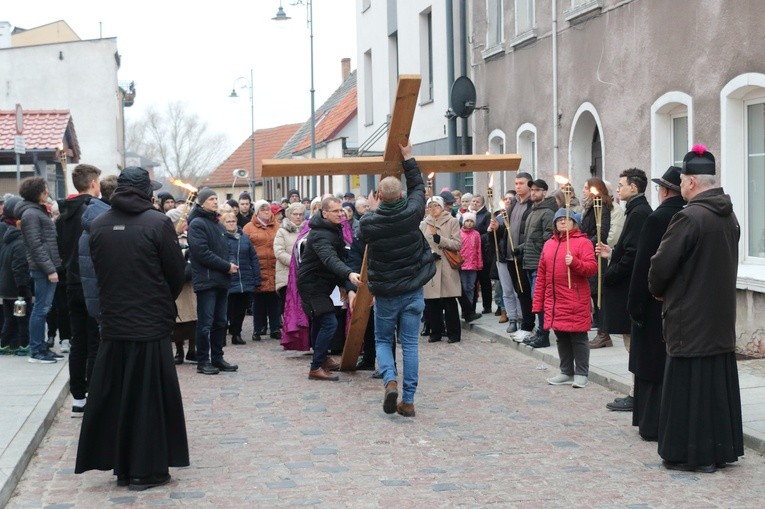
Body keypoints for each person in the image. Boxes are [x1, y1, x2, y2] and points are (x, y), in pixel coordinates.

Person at [75, 166, 188, 491]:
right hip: (149, 325)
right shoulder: (157, 223)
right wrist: (161, 301)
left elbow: (99, 272)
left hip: (114, 324)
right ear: (145, 192)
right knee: (148, 398)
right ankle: (147, 470)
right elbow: (175, 273)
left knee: (121, 397)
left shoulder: (98, 224)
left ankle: (124, 467)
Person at [648, 145, 743, 473]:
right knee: (715, 386)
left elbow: (661, 266)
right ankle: (718, 451)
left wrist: (658, 291)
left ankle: (692, 454)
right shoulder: (729, 216)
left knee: (690, 389)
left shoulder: (688, 217)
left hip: (689, 319)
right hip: (718, 319)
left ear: (689, 182)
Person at [359, 142, 436, 417]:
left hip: (387, 293)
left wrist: (371, 210)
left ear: (378, 195)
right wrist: (409, 158)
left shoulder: (369, 222)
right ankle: (409, 400)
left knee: (382, 340)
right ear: (400, 194)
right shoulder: (412, 212)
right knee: (411, 345)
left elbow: (362, 234)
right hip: (413, 289)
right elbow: (419, 190)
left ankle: (390, 380)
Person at [625, 166, 685, 441]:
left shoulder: (658, 217)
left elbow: (644, 265)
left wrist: (635, 305)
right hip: (678, 303)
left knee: (650, 367)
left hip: (652, 303)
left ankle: (650, 423)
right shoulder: (687, 215)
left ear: (663, 191)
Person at [597, 168, 652, 413]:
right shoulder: (635, 210)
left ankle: (636, 394)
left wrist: (611, 272)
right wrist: (612, 253)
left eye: (621, 185)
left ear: (634, 187)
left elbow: (634, 254)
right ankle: (635, 392)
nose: (618, 189)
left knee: (634, 345)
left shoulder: (639, 213)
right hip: (628, 286)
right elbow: (627, 248)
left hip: (631, 288)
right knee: (631, 344)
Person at [297, 196, 361, 381]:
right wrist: (348, 274)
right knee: (329, 322)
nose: (341, 213)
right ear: (324, 213)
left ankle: (321, 359)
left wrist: (342, 284)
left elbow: (339, 257)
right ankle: (316, 367)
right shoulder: (319, 234)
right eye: (336, 211)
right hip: (311, 285)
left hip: (323, 283)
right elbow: (330, 259)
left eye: (342, 210)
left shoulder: (333, 229)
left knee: (319, 321)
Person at [57, 163, 103, 416]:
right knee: (94, 338)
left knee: (78, 341)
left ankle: (78, 397)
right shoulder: (95, 211)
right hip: (90, 281)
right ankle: (93, 392)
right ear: (94, 183)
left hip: (70, 281)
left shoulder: (63, 214)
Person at [534, 209, 597, 387]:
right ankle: (566, 371)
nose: (562, 222)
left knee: (578, 337)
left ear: (574, 223)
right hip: (555, 299)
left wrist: (575, 263)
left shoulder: (583, 243)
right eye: (559, 219)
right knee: (561, 335)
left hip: (575, 298)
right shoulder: (549, 245)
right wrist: (538, 302)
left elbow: (592, 268)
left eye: (566, 219)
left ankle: (581, 373)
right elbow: (542, 275)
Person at [188, 188, 239, 375]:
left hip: (221, 280)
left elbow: (226, 247)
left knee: (220, 322)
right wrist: (226, 266)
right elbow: (201, 253)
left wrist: (230, 262)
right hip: (207, 280)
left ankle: (218, 358)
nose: (215, 202)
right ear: (201, 202)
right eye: (211, 199)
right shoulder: (197, 224)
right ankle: (203, 360)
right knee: (206, 323)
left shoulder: (217, 224)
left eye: (216, 198)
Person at [15, 177, 62, 364]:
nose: (48, 192)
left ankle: (41, 347)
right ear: (37, 192)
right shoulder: (31, 214)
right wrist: (50, 269)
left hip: (45, 266)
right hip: (42, 268)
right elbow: (36, 245)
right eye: (45, 189)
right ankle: (36, 350)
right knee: (41, 309)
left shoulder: (35, 211)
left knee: (43, 308)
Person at [490, 173, 534, 337]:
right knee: (513, 289)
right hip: (508, 254)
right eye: (516, 183)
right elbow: (505, 228)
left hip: (523, 255)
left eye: (521, 183)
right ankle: (515, 320)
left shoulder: (532, 205)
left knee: (524, 290)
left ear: (529, 185)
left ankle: (527, 322)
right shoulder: (513, 203)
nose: (517, 186)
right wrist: (497, 228)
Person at [514, 178, 556, 348]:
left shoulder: (547, 212)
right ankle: (540, 331)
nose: (533, 193)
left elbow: (549, 235)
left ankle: (543, 333)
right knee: (535, 299)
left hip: (540, 261)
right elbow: (532, 237)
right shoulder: (533, 211)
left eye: (537, 190)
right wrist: (521, 248)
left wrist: (537, 247)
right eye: (532, 190)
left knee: (538, 298)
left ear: (544, 192)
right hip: (529, 260)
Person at [420, 195, 462, 343]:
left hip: (447, 267)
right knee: (432, 303)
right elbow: (419, 245)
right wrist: (429, 254)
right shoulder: (424, 224)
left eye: (436, 205)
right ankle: (435, 332)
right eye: (430, 206)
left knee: (450, 302)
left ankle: (454, 334)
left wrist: (441, 240)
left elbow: (457, 244)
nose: (433, 209)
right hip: (431, 266)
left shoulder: (452, 221)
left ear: (442, 206)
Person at [222, 211, 261, 346]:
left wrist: (256, 277)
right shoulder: (221, 238)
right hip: (229, 279)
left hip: (245, 278)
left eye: (233, 221)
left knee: (241, 309)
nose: (231, 224)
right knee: (228, 309)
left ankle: (237, 334)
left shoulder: (244, 238)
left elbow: (253, 258)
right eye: (228, 221)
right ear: (223, 223)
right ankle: (224, 333)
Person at [244, 200, 280, 340]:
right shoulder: (248, 228)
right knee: (258, 301)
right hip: (258, 268)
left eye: (268, 209)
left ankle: (275, 328)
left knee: (274, 301)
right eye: (263, 209)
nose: (266, 211)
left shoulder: (277, 226)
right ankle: (258, 329)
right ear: (257, 212)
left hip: (274, 267)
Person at [580, 178, 612, 333]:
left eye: (586, 188)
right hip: (587, 251)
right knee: (592, 290)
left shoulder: (601, 207)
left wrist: (585, 244)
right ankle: (598, 322)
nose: (584, 190)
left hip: (596, 252)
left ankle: (602, 327)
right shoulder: (589, 207)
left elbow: (602, 233)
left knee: (598, 290)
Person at [0, 197, 31, 356]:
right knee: (22, 318)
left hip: (6, 285)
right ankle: (23, 346)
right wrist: (23, 289)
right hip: (15, 287)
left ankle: (5, 345)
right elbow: (18, 267)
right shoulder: (18, 242)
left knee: (9, 318)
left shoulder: (8, 238)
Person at [274, 202, 305, 317]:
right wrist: (296, 262)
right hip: (286, 276)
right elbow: (279, 252)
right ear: (289, 215)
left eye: (301, 214)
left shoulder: (306, 231)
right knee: (289, 311)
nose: (298, 217)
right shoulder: (282, 231)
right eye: (295, 214)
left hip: (303, 276)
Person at [458, 211, 482, 324]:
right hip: (462, 265)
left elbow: (478, 250)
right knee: (463, 287)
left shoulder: (476, 234)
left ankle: (471, 309)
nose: (469, 223)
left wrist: (479, 263)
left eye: (471, 221)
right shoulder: (459, 233)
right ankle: (465, 310)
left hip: (472, 265)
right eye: (467, 221)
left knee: (471, 288)